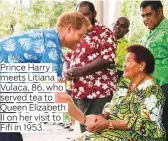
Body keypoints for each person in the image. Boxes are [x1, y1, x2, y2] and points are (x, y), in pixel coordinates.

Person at [0, 11, 95, 141]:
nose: (82, 41)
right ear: (69, 29)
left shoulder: (44, 37)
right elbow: (60, 97)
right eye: (81, 35)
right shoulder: (50, 48)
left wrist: (71, 110)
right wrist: (84, 119)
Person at [77, 45, 166, 141]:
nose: (123, 65)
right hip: (116, 130)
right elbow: (112, 105)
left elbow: (148, 125)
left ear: (142, 65)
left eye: (128, 61)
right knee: (83, 137)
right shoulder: (125, 83)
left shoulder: (152, 90)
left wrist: (108, 124)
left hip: (142, 136)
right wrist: (100, 118)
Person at [63, 1, 117, 133]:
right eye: (79, 15)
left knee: (99, 129)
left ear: (94, 14)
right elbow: (68, 57)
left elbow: (107, 59)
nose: (82, 18)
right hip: (81, 91)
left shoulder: (105, 33)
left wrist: (79, 71)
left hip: (100, 91)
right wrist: (67, 70)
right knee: (85, 129)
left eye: (86, 14)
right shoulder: (75, 33)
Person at [140, 0, 168, 138]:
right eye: (143, 16)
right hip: (150, 89)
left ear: (160, 12)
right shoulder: (148, 33)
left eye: (148, 15)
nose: (145, 19)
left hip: (165, 86)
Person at [113, 17, 130, 81]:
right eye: (117, 24)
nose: (118, 27)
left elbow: (116, 65)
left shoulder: (126, 47)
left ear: (126, 31)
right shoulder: (104, 38)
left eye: (122, 26)